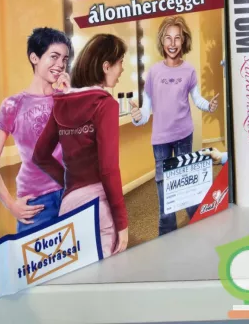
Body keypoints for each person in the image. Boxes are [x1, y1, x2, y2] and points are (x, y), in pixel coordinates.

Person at [33, 34, 129, 258]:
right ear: (106, 66)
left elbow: (40, 155)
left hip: (69, 205)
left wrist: (69, 181)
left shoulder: (62, 103)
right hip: (98, 206)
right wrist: (122, 222)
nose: (122, 69)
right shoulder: (105, 105)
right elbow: (108, 170)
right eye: (120, 63)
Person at [130, 16, 227, 236]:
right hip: (160, 140)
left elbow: (197, 99)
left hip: (184, 135)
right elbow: (145, 112)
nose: (172, 43)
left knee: (187, 184)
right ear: (161, 41)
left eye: (177, 38)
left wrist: (209, 106)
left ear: (183, 41)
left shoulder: (189, 71)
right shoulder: (153, 72)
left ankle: (199, 224)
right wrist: (137, 117)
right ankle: (167, 232)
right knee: (164, 186)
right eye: (168, 38)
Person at [0, 27, 72, 234]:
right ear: (34, 58)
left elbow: (83, 146)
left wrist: (70, 98)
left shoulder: (66, 98)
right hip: (37, 202)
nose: (60, 64)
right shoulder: (13, 105)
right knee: (37, 255)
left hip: (72, 192)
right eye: (54, 56)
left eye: (64, 59)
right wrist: (11, 205)